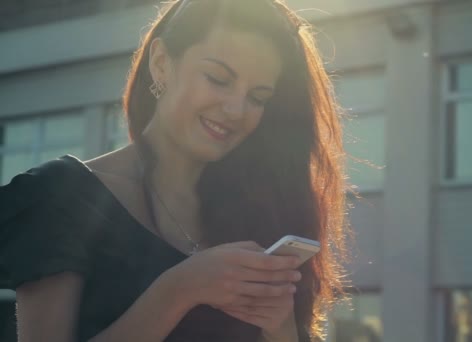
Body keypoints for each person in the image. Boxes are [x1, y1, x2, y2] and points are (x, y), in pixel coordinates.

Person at [0, 0, 349, 340]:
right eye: (218, 78)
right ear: (162, 62)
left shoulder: (257, 212)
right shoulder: (60, 197)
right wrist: (179, 290)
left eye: (257, 97)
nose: (235, 109)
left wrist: (280, 328)